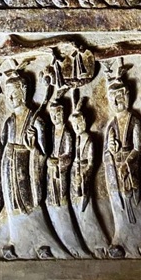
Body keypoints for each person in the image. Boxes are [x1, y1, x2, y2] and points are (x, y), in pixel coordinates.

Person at [0, 73, 68, 259]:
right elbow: (3, 147)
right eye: (8, 94)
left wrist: (32, 146)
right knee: (13, 208)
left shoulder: (36, 121)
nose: (10, 98)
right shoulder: (9, 122)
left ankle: (42, 243)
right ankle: (18, 242)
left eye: (14, 93)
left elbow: (44, 153)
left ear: (24, 92)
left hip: (27, 171)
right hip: (9, 170)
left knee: (30, 206)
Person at [103, 80, 141, 258]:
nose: (118, 102)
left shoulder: (135, 121)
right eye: (114, 99)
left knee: (135, 203)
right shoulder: (112, 124)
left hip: (131, 168)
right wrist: (111, 149)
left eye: (121, 97)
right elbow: (107, 150)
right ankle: (122, 239)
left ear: (127, 97)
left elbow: (138, 148)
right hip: (116, 170)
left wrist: (127, 163)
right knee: (120, 206)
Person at [46, 101, 90, 258]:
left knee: (62, 202)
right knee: (52, 202)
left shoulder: (67, 133)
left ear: (63, 114)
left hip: (61, 173)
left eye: (58, 114)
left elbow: (69, 154)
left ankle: (70, 238)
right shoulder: (52, 131)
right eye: (53, 114)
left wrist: (58, 162)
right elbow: (48, 151)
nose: (55, 117)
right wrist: (49, 161)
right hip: (52, 173)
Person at [70, 99, 110, 257]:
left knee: (86, 207)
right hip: (76, 174)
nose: (77, 127)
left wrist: (84, 174)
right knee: (77, 209)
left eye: (79, 123)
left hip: (84, 175)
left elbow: (92, 162)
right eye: (75, 124)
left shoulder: (89, 139)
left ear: (85, 122)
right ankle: (84, 241)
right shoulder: (76, 139)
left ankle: (98, 242)